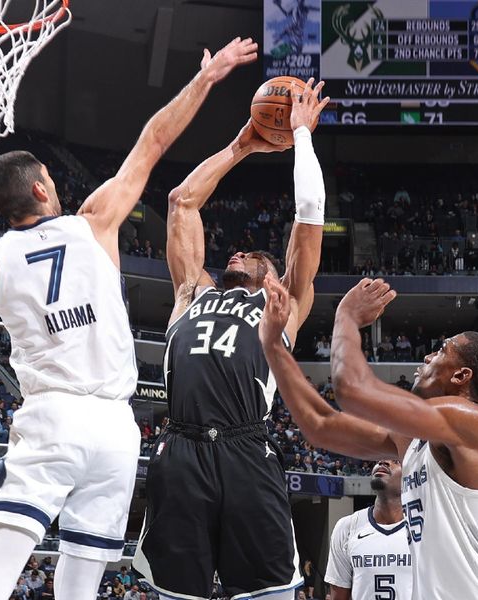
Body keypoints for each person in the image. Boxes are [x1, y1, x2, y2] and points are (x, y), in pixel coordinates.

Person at [0, 36, 258, 600]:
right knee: (79, 586)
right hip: (115, 429)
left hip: (53, 418)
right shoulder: (94, 222)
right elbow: (153, 141)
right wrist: (207, 78)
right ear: (40, 187)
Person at [133, 78, 329, 600]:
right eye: (235, 253)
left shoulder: (282, 302)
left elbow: (309, 219)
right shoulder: (191, 292)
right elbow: (181, 202)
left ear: (271, 271)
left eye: (251, 253)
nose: (237, 253)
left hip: (246, 446)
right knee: (176, 592)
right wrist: (243, 143)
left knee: (268, 592)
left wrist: (302, 136)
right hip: (181, 446)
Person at [257, 276, 478, 599]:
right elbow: (320, 425)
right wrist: (274, 348)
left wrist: (346, 318)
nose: (427, 358)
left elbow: (352, 390)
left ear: (461, 375)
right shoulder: (416, 439)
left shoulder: (474, 423)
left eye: (441, 350)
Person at [325, 460, 412, 600]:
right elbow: (338, 596)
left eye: (395, 461)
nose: (383, 462)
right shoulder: (347, 526)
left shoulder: (425, 527)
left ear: (411, 474)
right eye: (379, 458)